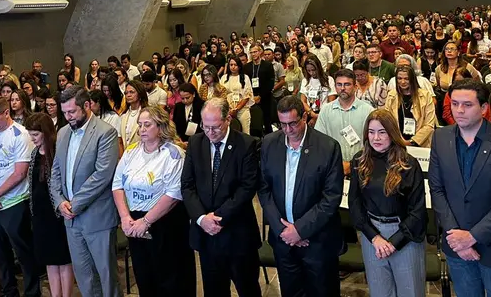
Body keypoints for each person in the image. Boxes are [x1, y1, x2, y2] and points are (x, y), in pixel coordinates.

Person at [429, 79, 491, 297]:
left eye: (467, 104)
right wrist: (457, 239)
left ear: (484, 108)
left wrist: (472, 237)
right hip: (456, 247)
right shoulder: (440, 137)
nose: (459, 110)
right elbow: (436, 189)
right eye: (454, 104)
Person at [257, 95, 343, 297]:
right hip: (284, 242)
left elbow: (330, 198)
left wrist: (300, 230)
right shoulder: (269, 143)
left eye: (292, 124)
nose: (287, 130)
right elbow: (263, 189)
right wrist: (283, 230)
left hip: (318, 243)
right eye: (282, 124)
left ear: (304, 117)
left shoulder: (328, 147)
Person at [181, 98, 262, 297]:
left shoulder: (246, 144)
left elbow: (247, 187)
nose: (210, 132)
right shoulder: (195, 142)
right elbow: (187, 185)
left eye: (215, 127)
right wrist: (201, 219)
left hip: (237, 233)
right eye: (205, 127)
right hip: (206, 235)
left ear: (227, 119)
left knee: (248, 288)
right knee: (214, 290)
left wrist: (217, 217)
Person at [113, 105, 196, 296]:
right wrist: (125, 218)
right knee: (144, 275)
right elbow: (117, 185)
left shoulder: (174, 153)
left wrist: (147, 221)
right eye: (140, 125)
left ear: (160, 127)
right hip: (135, 221)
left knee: (169, 278)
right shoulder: (131, 151)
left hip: (165, 223)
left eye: (147, 125)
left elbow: (174, 194)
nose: (141, 129)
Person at [50, 86, 122, 297]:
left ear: (87, 105)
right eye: (64, 112)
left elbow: (102, 175)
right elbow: (55, 172)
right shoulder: (63, 132)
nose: (68, 117)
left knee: (107, 277)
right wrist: (59, 201)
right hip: (70, 219)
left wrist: (75, 204)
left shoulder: (105, 132)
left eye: (72, 112)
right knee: (84, 278)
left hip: (96, 217)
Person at [348, 109, 427, 297]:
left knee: (411, 292)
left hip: (405, 235)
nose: (376, 138)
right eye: (371, 132)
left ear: (392, 133)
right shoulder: (360, 161)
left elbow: (418, 211)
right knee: (380, 292)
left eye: (382, 132)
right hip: (372, 236)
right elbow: (355, 203)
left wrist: (394, 242)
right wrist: (374, 237)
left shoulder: (408, 164)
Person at [0, 96, 40, 297]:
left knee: (23, 252)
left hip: (14, 202)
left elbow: (20, 173)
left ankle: (32, 291)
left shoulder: (20, 135)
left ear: (6, 113)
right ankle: (9, 291)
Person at [24, 113, 74, 297]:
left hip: (57, 214)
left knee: (63, 259)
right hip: (39, 214)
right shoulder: (35, 153)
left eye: (36, 135)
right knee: (49, 260)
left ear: (45, 132)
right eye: (31, 135)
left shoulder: (58, 151)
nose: (33, 139)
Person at [315, 69, 373, 176]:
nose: (342, 88)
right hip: (333, 168)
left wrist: (353, 164)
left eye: (347, 84)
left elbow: (372, 143)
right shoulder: (326, 110)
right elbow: (319, 142)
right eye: (339, 84)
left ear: (355, 87)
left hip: (362, 168)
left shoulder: (368, 111)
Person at [384, 66, 436, 147]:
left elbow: (429, 124)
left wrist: (412, 141)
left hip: (421, 144)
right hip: (397, 143)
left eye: (406, 79)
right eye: (399, 78)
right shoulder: (391, 95)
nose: (403, 82)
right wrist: (400, 141)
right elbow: (388, 121)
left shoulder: (426, 96)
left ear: (412, 79)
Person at [244, 43, 277, 134]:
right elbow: (246, 83)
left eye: (255, 52)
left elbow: (270, 83)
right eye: (251, 52)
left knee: (267, 120)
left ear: (259, 52)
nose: (253, 54)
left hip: (265, 97)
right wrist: (252, 96)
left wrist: (260, 96)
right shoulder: (247, 67)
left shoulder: (267, 65)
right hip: (251, 97)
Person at [299, 54, 337, 127]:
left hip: (325, 114)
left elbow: (331, 102)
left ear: (318, 67)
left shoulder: (329, 80)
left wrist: (318, 117)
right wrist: (312, 114)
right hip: (309, 113)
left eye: (313, 70)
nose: (312, 73)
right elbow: (303, 101)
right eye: (309, 70)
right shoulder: (305, 81)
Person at [221, 55, 255, 134]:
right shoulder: (224, 78)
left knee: (245, 133)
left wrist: (236, 109)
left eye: (235, 65)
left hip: (242, 109)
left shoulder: (245, 77)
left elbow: (247, 96)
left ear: (239, 66)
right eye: (231, 65)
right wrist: (229, 108)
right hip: (227, 109)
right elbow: (221, 94)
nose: (233, 67)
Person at [120, 80, 149, 149]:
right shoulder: (123, 115)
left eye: (132, 92)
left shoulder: (148, 114)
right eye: (126, 93)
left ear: (140, 94)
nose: (128, 95)